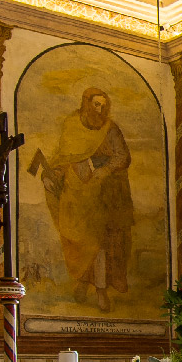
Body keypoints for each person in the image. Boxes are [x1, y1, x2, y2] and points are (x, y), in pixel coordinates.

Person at [36, 86, 133, 309]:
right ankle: (81, 282)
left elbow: (122, 156)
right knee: (78, 241)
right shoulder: (71, 125)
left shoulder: (110, 128)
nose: (99, 110)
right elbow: (63, 158)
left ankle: (100, 290)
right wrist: (50, 177)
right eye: (95, 104)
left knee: (99, 244)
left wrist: (105, 170)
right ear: (85, 103)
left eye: (103, 105)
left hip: (103, 195)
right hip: (75, 195)